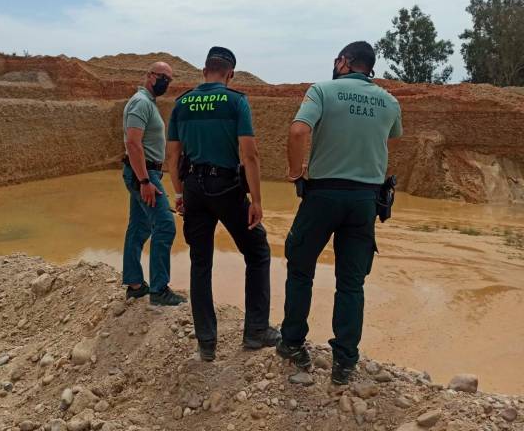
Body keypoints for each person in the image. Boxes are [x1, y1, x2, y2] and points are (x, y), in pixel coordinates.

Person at [277, 41, 403, 385]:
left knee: (300, 268)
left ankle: (291, 343)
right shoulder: (390, 101)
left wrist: (294, 172)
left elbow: (299, 130)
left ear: (345, 62)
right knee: (351, 282)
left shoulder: (322, 90)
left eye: (337, 60)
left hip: (323, 195)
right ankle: (345, 362)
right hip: (364, 200)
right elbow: (388, 140)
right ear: (370, 67)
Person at [167, 47, 280, 361]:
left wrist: (179, 195)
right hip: (226, 188)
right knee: (257, 251)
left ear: (204, 71)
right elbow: (250, 154)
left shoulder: (181, 104)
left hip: (193, 188)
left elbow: (173, 157)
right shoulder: (236, 101)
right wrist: (256, 200)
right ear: (230, 74)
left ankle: (206, 343)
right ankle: (256, 332)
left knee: (200, 262)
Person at [120, 61, 186, 306]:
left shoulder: (147, 103)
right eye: (162, 77)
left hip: (144, 173)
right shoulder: (140, 103)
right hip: (144, 174)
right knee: (165, 226)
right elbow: (133, 144)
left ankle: (135, 285)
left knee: (138, 227)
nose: (166, 82)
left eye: (169, 79)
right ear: (149, 75)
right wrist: (145, 180)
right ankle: (159, 290)